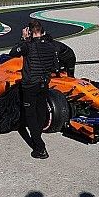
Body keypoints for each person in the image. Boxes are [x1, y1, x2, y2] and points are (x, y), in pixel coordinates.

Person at [9, 20, 58, 159]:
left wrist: (23, 39)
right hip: (44, 84)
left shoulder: (28, 46)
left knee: (31, 117)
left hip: (30, 86)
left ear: (30, 32)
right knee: (40, 113)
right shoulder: (50, 46)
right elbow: (55, 66)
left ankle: (40, 147)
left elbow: (12, 53)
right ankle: (38, 134)